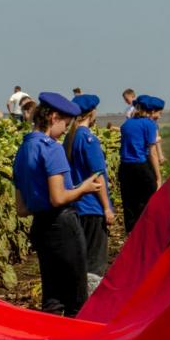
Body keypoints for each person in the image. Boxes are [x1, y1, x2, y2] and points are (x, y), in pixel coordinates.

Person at [13, 92, 102, 317]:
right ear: (53, 117)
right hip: (63, 226)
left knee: (52, 296)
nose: (64, 130)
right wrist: (84, 188)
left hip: (41, 228)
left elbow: (21, 209)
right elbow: (58, 198)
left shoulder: (23, 150)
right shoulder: (52, 148)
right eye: (65, 123)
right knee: (76, 296)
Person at [64, 94, 114, 284]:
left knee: (81, 258)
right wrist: (107, 207)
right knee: (95, 262)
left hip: (76, 205)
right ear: (91, 114)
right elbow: (98, 176)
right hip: (92, 206)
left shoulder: (70, 138)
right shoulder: (88, 139)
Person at [118, 94, 164, 232]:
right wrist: (158, 178)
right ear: (151, 111)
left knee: (130, 206)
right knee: (147, 206)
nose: (159, 116)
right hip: (141, 168)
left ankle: (131, 238)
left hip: (125, 169)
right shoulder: (149, 124)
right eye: (158, 113)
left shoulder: (126, 124)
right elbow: (152, 153)